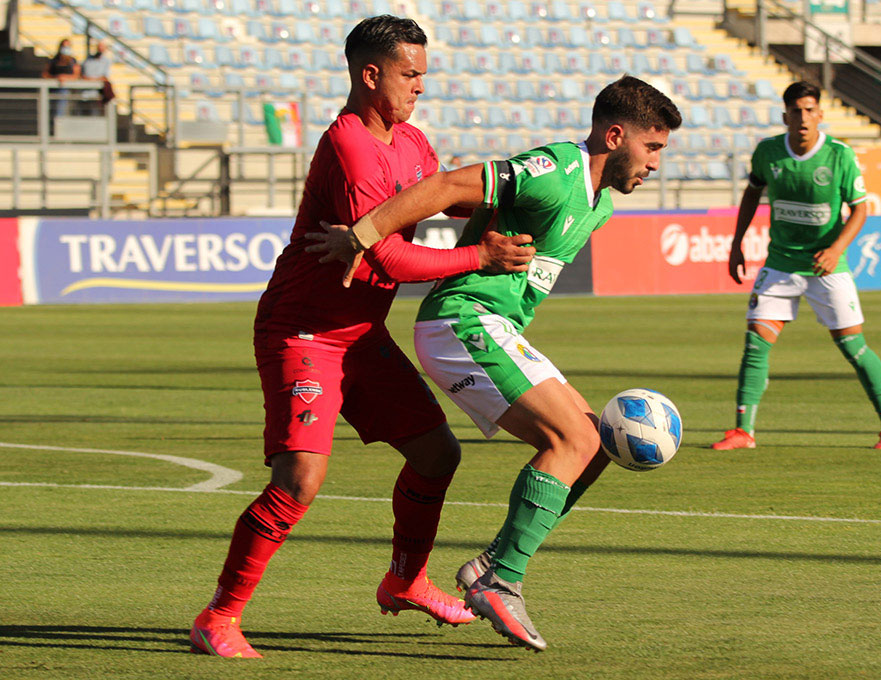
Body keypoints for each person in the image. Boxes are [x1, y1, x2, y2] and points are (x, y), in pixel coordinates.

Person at [189, 15, 534, 659]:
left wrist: (525, 193)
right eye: (410, 74)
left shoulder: (412, 141)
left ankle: (405, 580)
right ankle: (219, 617)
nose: (420, 87)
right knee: (300, 479)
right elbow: (388, 257)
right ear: (371, 74)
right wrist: (480, 258)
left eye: (423, 75)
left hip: (359, 333)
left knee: (437, 454)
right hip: (305, 331)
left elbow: (445, 198)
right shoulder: (349, 145)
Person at [306, 75, 683, 651]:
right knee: (573, 440)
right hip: (460, 321)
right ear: (614, 136)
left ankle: (493, 565)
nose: (656, 163)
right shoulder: (554, 171)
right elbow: (448, 185)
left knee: (596, 445)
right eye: (652, 147)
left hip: (493, 327)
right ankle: (501, 580)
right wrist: (363, 234)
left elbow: (474, 206)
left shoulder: (600, 203)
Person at [711, 81, 881, 451]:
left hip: (826, 267)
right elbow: (752, 193)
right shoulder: (768, 152)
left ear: (820, 114)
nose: (802, 117)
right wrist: (737, 243)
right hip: (781, 263)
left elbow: (860, 210)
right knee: (756, 343)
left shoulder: (839, 155)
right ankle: (743, 431)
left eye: (809, 110)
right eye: (795, 111)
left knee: (854, 346)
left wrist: (835, 249)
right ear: (785, 116)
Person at [41, 38, 79, 118]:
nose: (66, 48)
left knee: (63, 95)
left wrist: (65, 77)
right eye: (64, 46)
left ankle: (59, 118)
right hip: (54, 89)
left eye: (68, 46)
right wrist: (56, 77)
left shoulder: (73, 61)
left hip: (67, 90)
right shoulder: (54, 61)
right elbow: (45, 74)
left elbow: (76, 75)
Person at [80, 40, 114, 116]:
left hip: (97, 95)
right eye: (99, 47)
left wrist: (91, 79)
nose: (100, 49)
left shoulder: (106, 61)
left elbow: (104, 77)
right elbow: (84, 75)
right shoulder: (88, 60)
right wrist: (94, 79)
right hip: (86, 94)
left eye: (102, 47)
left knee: (95, 115)